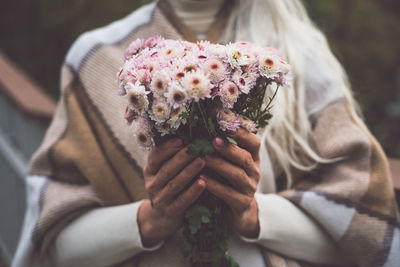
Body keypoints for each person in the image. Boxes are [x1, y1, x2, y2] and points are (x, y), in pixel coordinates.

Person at [12, 0, 400, 266]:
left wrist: (252, 216)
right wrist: (151, 220)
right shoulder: (96, 59)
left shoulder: (299, 57)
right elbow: (57, 241)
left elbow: (358, 228)